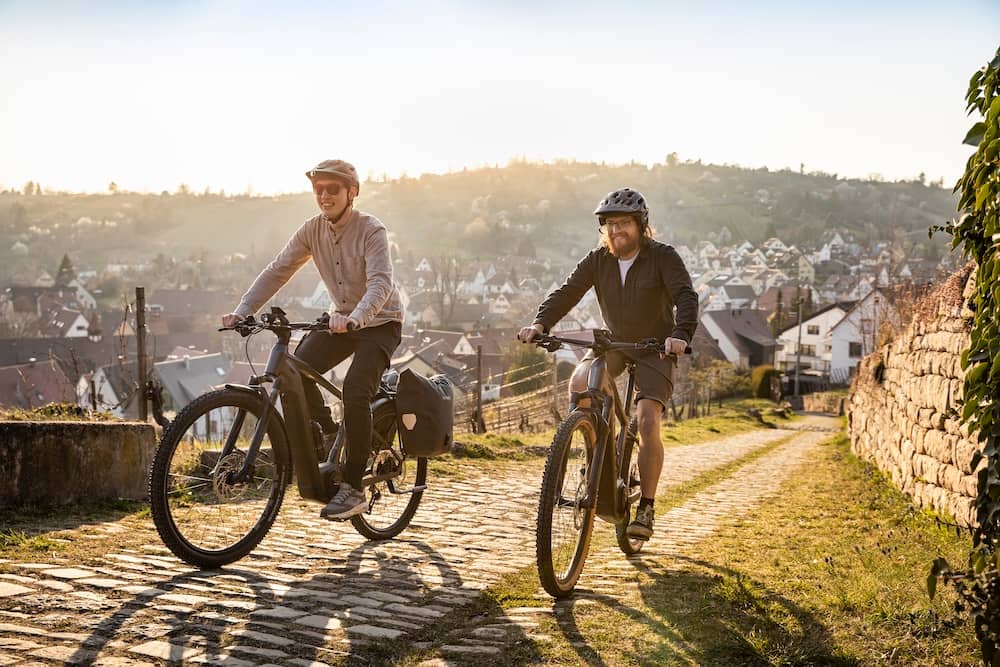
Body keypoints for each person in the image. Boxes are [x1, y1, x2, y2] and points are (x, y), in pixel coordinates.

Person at [222, 159, 403, 520]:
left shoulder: (371, 229)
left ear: (351, 192)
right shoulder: (312, 230)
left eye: (332, 189)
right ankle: (331, 438)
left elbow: (381, 283)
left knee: (355, 390)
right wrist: (243, 310)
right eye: (318, 189)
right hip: (340, 321)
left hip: (379, 323)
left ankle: (352, 488)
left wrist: (356, 319)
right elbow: (279, 269)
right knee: (298, 371)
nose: (324, 196)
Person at [517, 187, 698, 541]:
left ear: (641, 225)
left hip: (655, 347)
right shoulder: (598, 259)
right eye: (610, 224)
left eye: (624, 223)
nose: (616, 231)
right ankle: (594, 455)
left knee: (646, 421)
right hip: (613, 342)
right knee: (580, 384)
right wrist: (541, 323)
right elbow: (568, 292)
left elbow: (685, 297)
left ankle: (646, 505)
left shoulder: (663, 257)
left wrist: (681, 334)